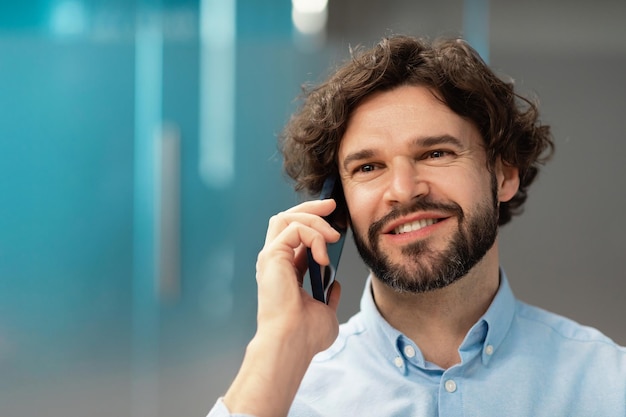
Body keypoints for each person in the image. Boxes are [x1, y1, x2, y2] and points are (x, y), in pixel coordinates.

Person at [208, 35, 626, 417]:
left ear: (504, 173)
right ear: (335, 205)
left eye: (436, 154)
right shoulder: (283, 394)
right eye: (369, 167)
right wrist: (279, 344)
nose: (404, 191)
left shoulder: (609, 384)